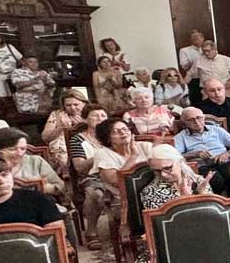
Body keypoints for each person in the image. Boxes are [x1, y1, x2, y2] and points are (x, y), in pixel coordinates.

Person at [135, 145, 219, 263]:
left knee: (217, 247)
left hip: (203, 234)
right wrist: (183, 200)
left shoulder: (198, 182)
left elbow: (213, 217)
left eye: (167, 168)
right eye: (157, 171)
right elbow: (162, 227)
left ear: (179, 162)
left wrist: (202, 195)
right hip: (171, 241)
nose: (163, 175)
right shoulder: (150, 192)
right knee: (197, 251)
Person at [67, 103, 112, 248]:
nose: (100, 118)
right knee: (95, 194)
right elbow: (79, 167)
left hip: (115, 173)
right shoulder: (78, 140)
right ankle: (91, 232)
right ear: (85, 119)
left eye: (103, 115)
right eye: (95, 115)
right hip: (92, 176)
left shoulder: (114, 135)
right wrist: (99, 155)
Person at [0, 128, 64, 198]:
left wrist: (41, 187)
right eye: (12, 149)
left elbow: (61, 188)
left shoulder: (35, 161)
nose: (19, 153)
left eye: (23, 149)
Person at [174, 106, 230, 195]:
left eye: (199, 118)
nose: (196, 122)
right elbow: (176, 156)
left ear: (204, 118)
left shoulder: (217, 130)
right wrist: (194, 154)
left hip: (223, 160)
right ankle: (219, 202)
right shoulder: (181, 137)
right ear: (185, 123)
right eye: (191, 119)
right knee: (216, 181)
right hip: (202, 166)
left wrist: (227, 153)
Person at [94, 119, 154, 194]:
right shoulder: (103, 153)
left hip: (150, 191)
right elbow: (115, 180)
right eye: (116, 132)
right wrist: (133, 156)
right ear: (108, 138)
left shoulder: (145, 146)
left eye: (125, 129)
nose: (123, 133)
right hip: (122, 197)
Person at [40, 89, 87, 175]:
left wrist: (82, 125)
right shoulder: (57, 115)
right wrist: (61, 127)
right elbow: (45, 137)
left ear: (83, 103)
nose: (72, 108)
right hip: (61, 149)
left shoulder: (90, 113)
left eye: (76, 104)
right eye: (68, 105)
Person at [187, 41, 230, 106]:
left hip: (224, 90)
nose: (206, 53)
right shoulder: (199, 60)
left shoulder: (225, 60)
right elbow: (190, 74)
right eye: (204, 51)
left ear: (214, 49)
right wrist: (182, 86)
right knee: (208, 111)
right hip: (207, 91)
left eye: (208, 51)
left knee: (227, 109)